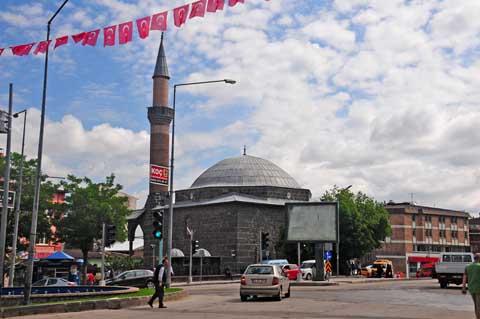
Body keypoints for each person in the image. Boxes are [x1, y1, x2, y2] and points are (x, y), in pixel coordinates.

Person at [462, 253, 480, 318]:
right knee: (479, 306)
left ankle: (477, 316)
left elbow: (464, 277)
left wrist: (463, 288)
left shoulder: (468, 266)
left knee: (476, 305)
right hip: (479, 288)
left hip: (471, 288)